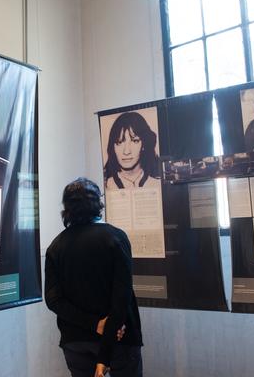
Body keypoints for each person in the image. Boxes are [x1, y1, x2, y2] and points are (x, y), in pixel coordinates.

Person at [45, 178, 143, 377]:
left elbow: (54, 301)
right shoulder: (116, 238)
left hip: (76, 340)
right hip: (118, 338)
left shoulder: (56, 247)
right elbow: (121, 299)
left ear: (67, 208)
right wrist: (104, 355)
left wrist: (93, 324)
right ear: (98, 204)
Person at [104, 111, 159, 189]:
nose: (126, 151)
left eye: (135, 141)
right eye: (119, 142)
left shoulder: (157, 184)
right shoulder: (106, 186)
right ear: (113, 147)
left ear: (144, 144)